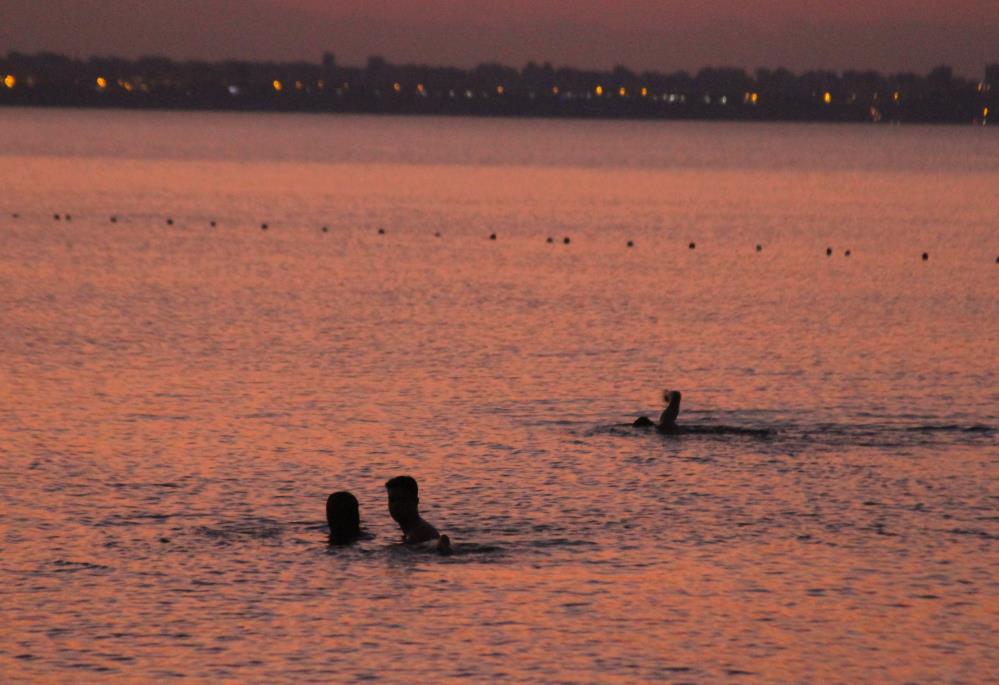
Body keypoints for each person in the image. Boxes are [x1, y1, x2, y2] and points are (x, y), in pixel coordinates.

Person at [385, 475, 452, 555]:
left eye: (401, 500)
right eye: (392, 500)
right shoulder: (412, 532)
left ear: (415, 501)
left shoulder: (421, 534)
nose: (395, 505)